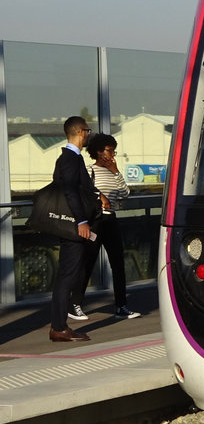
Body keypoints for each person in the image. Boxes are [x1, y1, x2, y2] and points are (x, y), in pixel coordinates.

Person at [48, 116, 100, 342]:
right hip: (73, 227)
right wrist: (81, 221)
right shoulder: (70, 158)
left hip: (71, 224)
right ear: (80, 132)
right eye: (88, 130)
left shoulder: (69, 158)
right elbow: (70, 191)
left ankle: (59, 326)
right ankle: (59, 327)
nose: (89, 134)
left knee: (67, 275)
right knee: (67, 277)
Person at [82, 133, 141, 319]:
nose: (112, 154)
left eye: (114, 151)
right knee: (87, 263)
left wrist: (116, 171)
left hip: (111, 220)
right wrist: (99, 197)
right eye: (109, 150)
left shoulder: (114, 172)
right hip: (95, 222)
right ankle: (74, 304)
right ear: (99, 151)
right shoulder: (89, 170)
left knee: (118, 264)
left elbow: (125, 193)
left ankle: (121, 306)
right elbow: (83, 192)